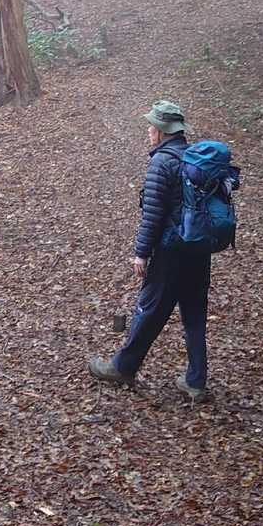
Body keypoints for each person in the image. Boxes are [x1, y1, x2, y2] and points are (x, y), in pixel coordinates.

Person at [89, 99, 210, 398]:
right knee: (194, 315)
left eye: (152, 126)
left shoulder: (162, 162)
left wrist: (141, 253)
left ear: (162, 130)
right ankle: (196, 382)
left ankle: (122, 367)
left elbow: (153, 214)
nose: (148, 130)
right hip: (199, 249)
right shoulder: (195, 159)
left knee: (149, 309)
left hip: (171, 252)